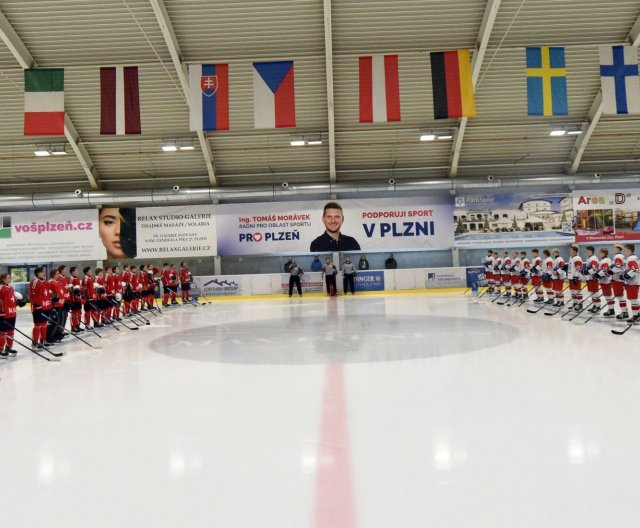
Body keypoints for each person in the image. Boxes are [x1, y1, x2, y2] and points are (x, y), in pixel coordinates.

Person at [0, 273, 24, 357]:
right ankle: (0, 349)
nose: (10, 279)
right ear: (3, 279)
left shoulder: (11, 288)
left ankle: (8, 347)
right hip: (3, 314)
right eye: (8, 278)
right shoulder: (1, 288)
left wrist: (18, 303)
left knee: (11, 331)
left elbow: (11, 300)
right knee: (2, 332)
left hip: (12, 313)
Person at [29, 266, 54, 348]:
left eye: (43, 271)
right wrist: (36, 304)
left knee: (44, 324)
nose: (43, 273)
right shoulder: (35, 281)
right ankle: (35, 342)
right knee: (37, 325)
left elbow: (47, 293)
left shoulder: (45, 281)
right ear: (37, 273)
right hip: (38, 307)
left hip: (45, 306)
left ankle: (43, 340)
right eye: (42, 272)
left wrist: (49, 304)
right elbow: (33, 294)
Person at [621, 243, 640, 323]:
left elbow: (634, 269)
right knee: (633, 300)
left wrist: (626, 276)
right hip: (632, 282)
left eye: (626, 249)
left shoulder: (631, 259)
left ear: (629, 249)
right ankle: (636, 315)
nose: (625, 251)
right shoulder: (632, 258)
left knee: (633, 300)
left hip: (632, 283)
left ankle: (636, 316)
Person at [610, 244, 628, 320]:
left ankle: (624, 312)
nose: (613, 249)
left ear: (618, 248)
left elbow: (618, 266)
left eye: (614, 247)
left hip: (618, 279)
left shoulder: (618, 256)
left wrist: (610, 271)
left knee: (620, 297)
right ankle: (624, 311)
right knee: (620, 296)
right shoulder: (621, 256)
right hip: (619, 279)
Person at [597, 248, 616, 318]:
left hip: (605, 280)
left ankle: (611, 310)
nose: (599, 254)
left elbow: (605, 270)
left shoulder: (605, 260)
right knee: (607, 296)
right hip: (605, 280)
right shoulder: (605, 260)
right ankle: (611, 309)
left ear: (604, 253)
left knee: (608, 296)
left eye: (600, 253)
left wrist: (598, 274)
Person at [583, 246, 602, 314]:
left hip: (593, 278)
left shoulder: (593, 258)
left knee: (595, 293)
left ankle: (598, 307)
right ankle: (595, 305)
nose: (586, 252)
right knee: (592, 293)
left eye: (587, 250)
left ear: (591, 251)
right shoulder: (589, 258)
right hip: (589, 278)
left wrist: (588, 271)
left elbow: (595, 268)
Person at [567, 246, 584, 311]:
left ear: (575, 251)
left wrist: (576, 276)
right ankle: (575, 303)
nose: (570, 251)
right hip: (571, 277)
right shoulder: (571, 258)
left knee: (578, 291)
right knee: (572, 291)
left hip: (576, 278)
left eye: (571, 250)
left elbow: (578, 268)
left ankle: (580, 304)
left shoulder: (577, 258)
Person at [69, 266, 84, 333]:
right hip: (74, 299)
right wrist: (74, 291)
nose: (77, 271)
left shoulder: (77, 278)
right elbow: (70, 288)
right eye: (76, 270)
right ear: (72, 272)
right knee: (74, 313)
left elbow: (79, 288)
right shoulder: (71, 279)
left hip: (78, 299)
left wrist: (80, 292)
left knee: (79, 312)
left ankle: (78, 325)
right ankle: (73, 327)